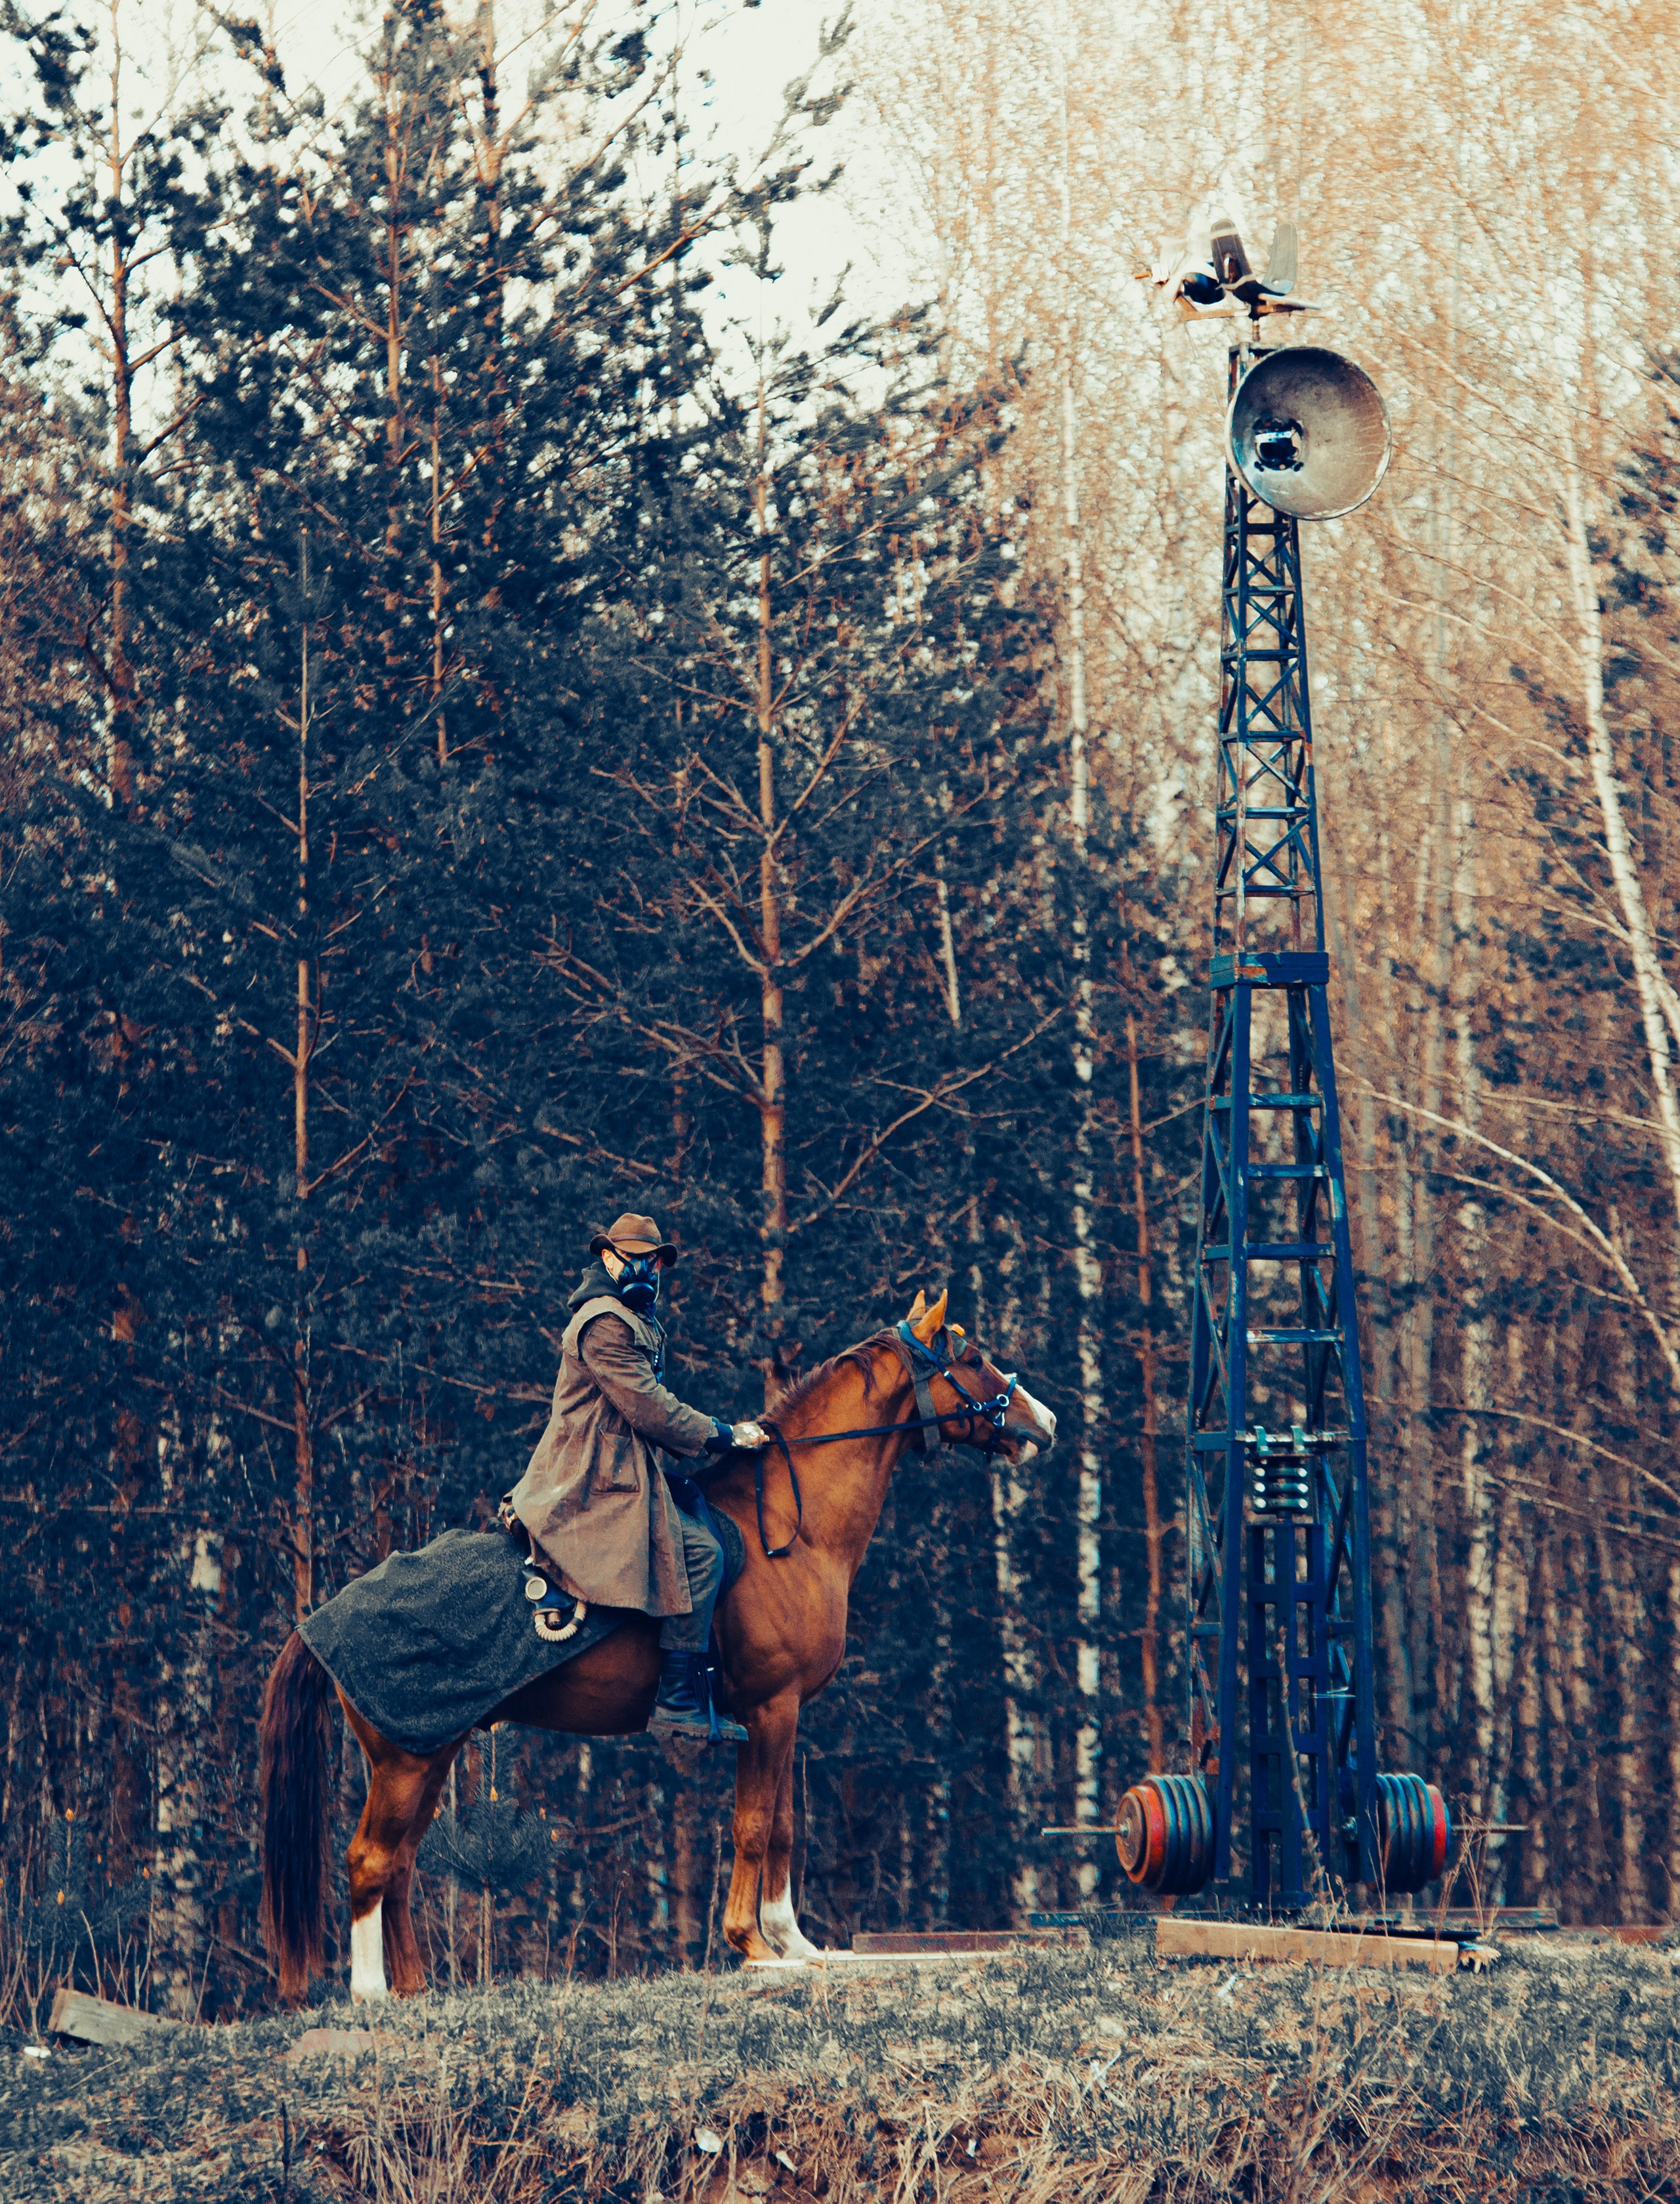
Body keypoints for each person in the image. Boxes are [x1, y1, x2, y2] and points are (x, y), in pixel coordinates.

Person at [506, 1213, 766, 1744]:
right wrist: (724, 1434)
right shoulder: (605, 1321)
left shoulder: (633, 1316)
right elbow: (649, 1408)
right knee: (700, 1553)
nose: (648, 1269)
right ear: (608, 1258)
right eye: (636, 1258)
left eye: (654, 1261)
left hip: (623, 1466)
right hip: (590, 1474)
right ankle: (677, 1699)